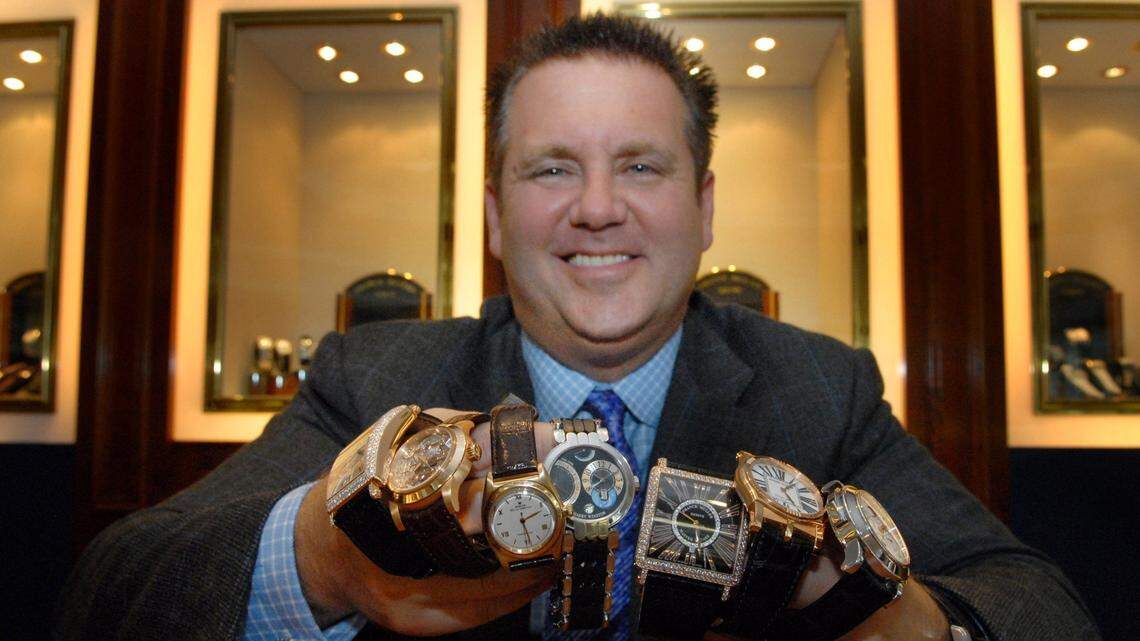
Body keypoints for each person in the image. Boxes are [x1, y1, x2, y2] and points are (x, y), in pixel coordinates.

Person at [54, 13, 1099, 641]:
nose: (598, 208)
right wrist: (328, 559)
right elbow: (113, 589)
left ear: (704, 208)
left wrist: (891, 617)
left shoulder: (822, 387)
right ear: (495, 217)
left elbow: (1040, 603)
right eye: (553, 168)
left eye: (640, 165)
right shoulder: (375, 377)